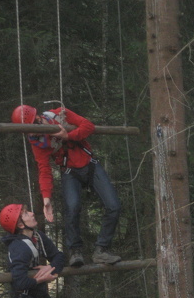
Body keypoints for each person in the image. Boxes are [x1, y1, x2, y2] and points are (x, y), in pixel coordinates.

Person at [11, 104, 122, 267]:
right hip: (69, 171)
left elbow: (88, 126)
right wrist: (46, 198)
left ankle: (101, 250)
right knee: (72, 208)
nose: (30, 133)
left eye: (31, 128)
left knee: (114, 206)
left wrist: (68, 136)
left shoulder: (59, 115)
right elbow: (44, 170)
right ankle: (75, 251)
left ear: (38, 119)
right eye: (26, 131)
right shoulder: (38, 143)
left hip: (90, 164)